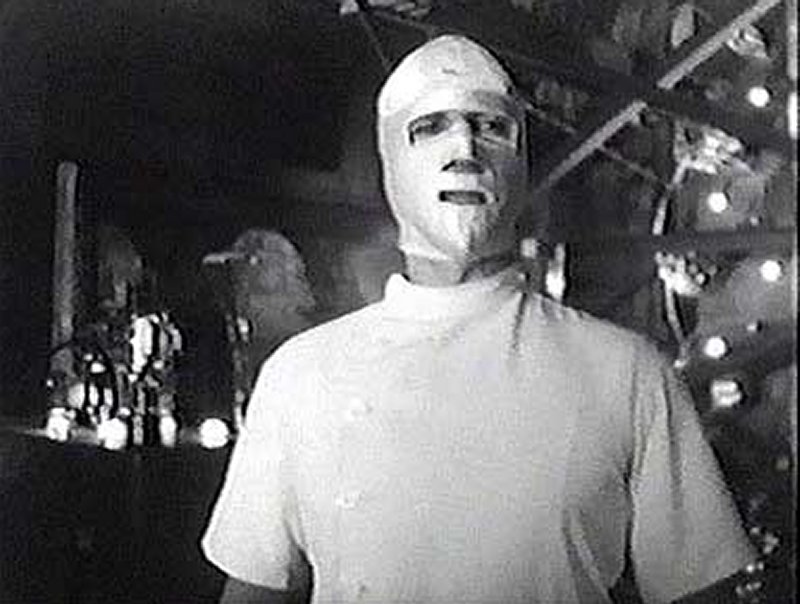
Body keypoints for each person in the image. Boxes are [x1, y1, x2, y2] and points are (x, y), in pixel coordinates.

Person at [202, 35, 756, 604]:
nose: (464, 147)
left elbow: (701, 592)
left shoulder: (627, 372)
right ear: (391, 161)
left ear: (520, 159)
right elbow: (253, 592)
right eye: (430, 126)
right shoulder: (301, 375)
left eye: (490, 126)